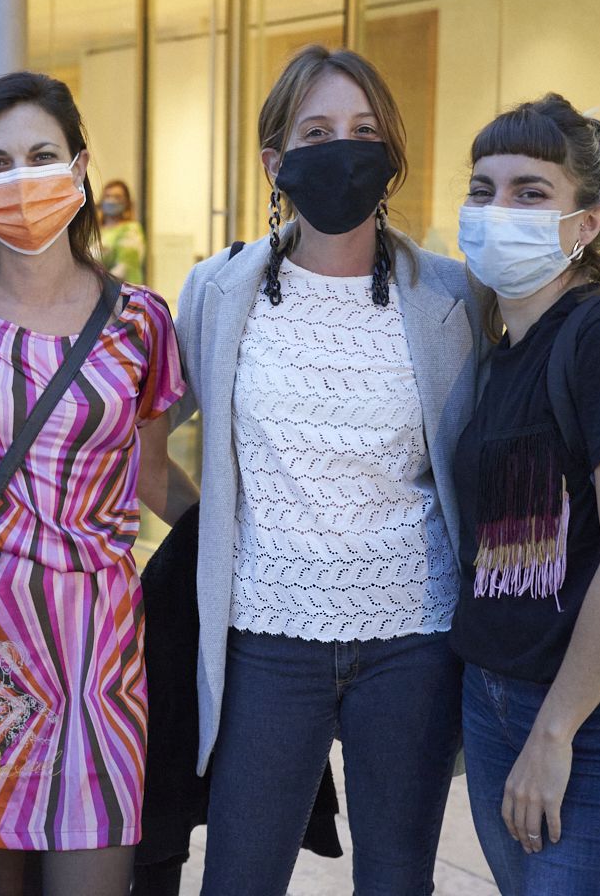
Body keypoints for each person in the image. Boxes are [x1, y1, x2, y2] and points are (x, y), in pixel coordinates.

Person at [170, 45, 485, 896]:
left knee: (396, 879)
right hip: (268, 641)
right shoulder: (217, 290)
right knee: (239, 876)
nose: (342, 149)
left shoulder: (453, 297)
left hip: (414, 640)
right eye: (317, 132)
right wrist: (217, 530)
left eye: (363, 131)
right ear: (275, 161)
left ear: (390, 156)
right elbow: (139, 436)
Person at [0, 71, 196, 896]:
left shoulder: (141, 318)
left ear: (78, 167)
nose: (19, 178)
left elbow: (149, 474)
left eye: (40, 154)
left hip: (102, 648)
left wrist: (234, 542)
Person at [451, 94, 600, 895]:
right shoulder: (501, 349)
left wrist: (555, 731)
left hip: (595, 722)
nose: (497, 210)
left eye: (531, 192)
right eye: (482, 189)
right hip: (494, 700)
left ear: (587, 223)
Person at [98, 179, 145, 284]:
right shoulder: (96, 230)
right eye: (108, 196)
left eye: (117, 197)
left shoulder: (131, 230)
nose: (111, 201)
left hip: (121, 292)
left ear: (126, 202)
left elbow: (124, 268)